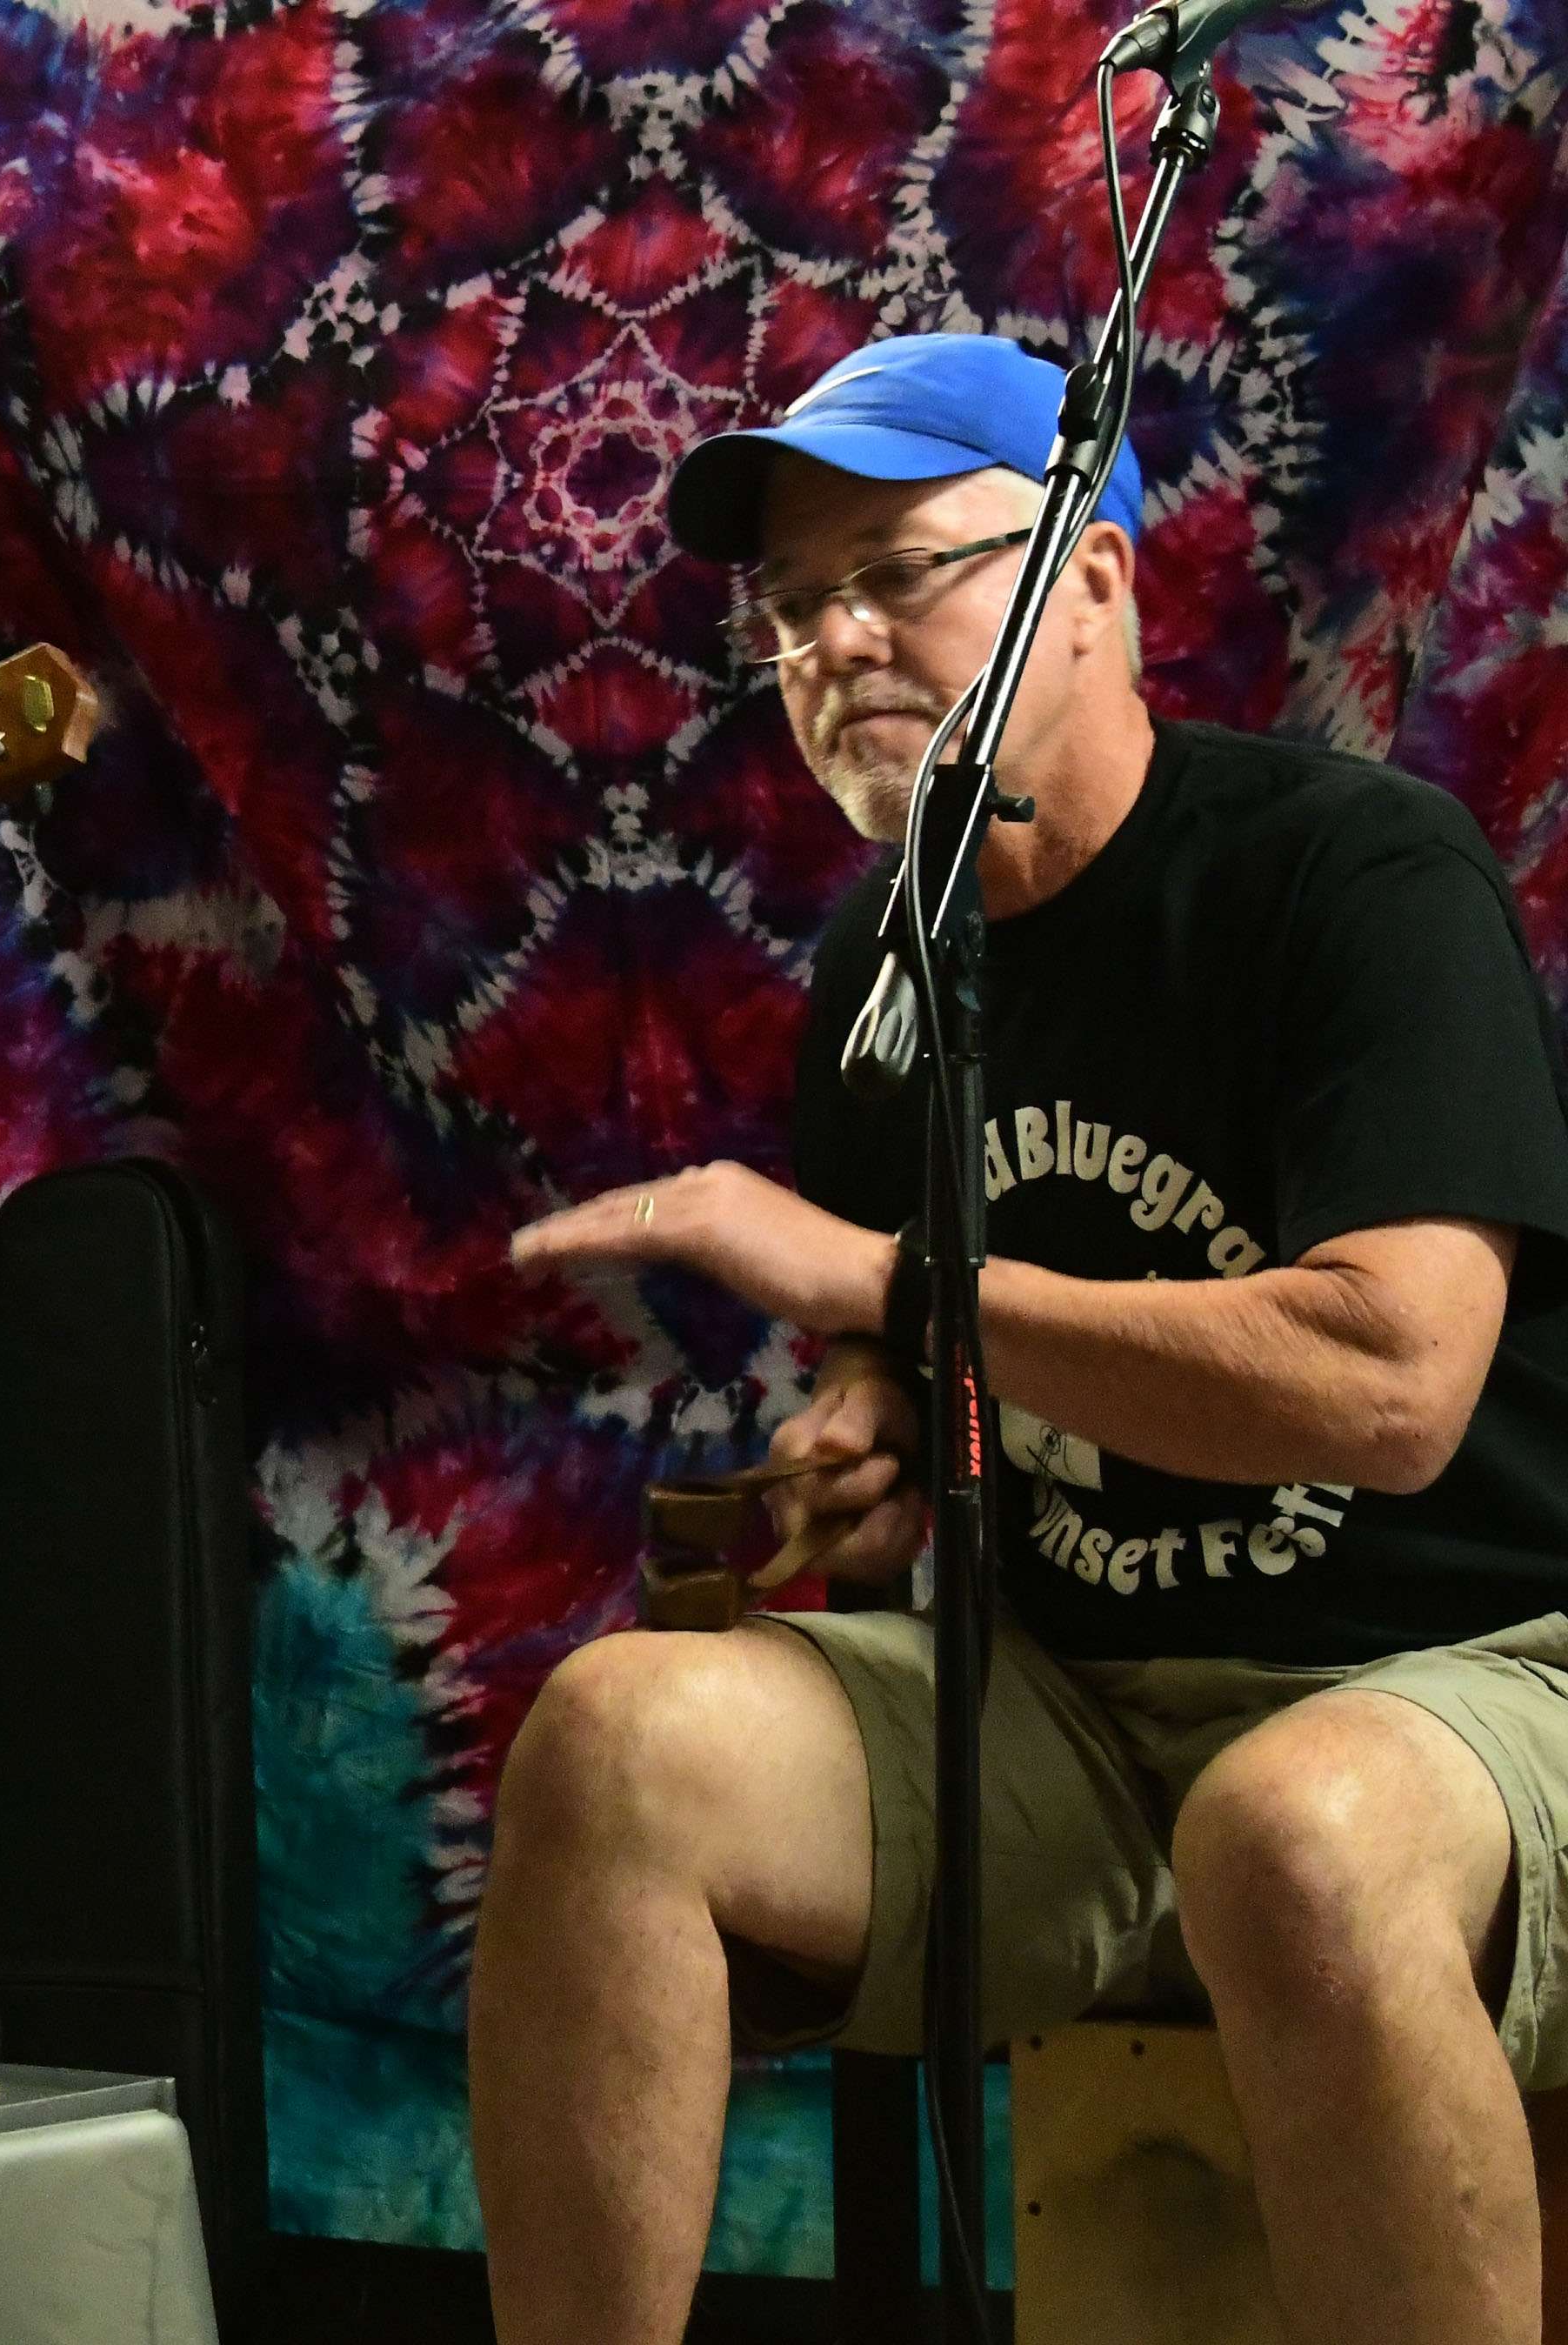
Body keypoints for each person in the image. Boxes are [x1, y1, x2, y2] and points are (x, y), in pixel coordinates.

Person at [478, 331, 1568, 2342]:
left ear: (1094, 578)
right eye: (794, 606)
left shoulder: (1349, 876)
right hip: (1069, 1702)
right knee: (615, 1743)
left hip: (1464, 1674)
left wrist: (879, 1289)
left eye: (899, 572)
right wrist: (861, 1434)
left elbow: (1393, 1386)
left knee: (1294, 1833)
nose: (834, 641)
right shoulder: (880, 957)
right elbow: (914, 1369)